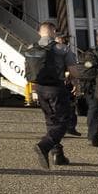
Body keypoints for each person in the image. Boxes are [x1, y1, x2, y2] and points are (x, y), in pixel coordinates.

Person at [30, 22, 78, 169]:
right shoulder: (62, 48)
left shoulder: (31, 48)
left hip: (39, 88)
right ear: (54, 32)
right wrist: (77, 83)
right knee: (64, 122)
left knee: (51, 121)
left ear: (39, 33)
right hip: (56, 88)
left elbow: (30, 69)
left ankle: (58, 155)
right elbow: (73, 70)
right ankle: (44, 146)